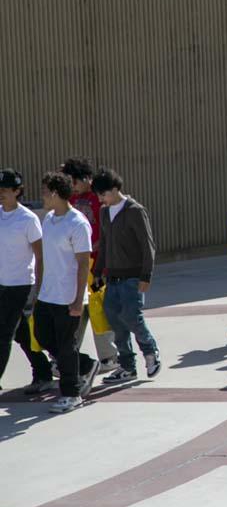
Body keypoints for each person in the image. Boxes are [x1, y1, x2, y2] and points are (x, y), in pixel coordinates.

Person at [33, 172, 99, 413]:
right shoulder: (49, 219)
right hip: (47, 294)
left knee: (65, 345)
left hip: (68, 296)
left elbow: (83, 263)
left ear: (54, 193)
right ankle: (86, 364)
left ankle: (72, 395)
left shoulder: (78, 223)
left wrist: (77, 299)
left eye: (44, 192)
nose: (41, 196)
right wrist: (38, 288)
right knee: (42, 337)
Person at [93, 167, 161, 384]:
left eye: (103, 194)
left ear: (115, 189)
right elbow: (104, 244)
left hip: (132, 277)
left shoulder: (134, 210)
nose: (100, 199)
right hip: (112, 278)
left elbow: (147, 245)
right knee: (115, 320)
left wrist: (146, 276)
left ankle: (151, 353)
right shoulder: (105, 212)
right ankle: (127, 366)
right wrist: (97, 272)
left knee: (133, 317)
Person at [59, 157, 118, 371]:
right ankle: (68, 354)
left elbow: (107, 230)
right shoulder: (71, 200)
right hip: (77, 265)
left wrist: (98, 252)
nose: (71, 187)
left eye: (72, 181)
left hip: (98, 265)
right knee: (77, 309)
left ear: (84, 178)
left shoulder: (98, 197)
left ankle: (109, 356)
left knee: (99, 310)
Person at [0, 169, 53, 395]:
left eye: (5, 190)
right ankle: (43, 372)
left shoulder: (28, 219)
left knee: (3, 335)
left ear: (17, 191)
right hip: (1, 284)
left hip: (20, 285)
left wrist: (40, 287)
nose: (0, 193)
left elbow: (40, 256)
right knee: (22, 334)